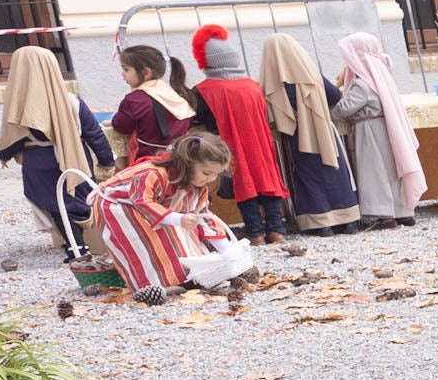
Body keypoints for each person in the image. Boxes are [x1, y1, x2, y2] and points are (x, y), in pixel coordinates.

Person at [89, 131, 242, 300]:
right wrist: (177, 219)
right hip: (118, 204)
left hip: (153, 207)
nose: (212, 179)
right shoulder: (152, 173)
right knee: (143, 242)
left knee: (182, 235)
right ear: (188, 164)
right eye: (207, 173)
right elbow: (143, 202)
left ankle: (183, 278)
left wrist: (229, 252)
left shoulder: (197, 186)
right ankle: (150, 285)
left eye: (216, 174)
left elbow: (204, 217)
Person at [0, 46, 108, 262]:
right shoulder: (72, 101)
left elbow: (9, 142)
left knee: (57, 205)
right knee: (76, 199)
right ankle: (88, 244)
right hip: (74, 157)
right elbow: (94, 134)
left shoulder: (18, 107)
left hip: (39, 163)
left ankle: (75, 247)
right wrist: (106, 161)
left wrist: (3, 155)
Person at [187, 28, 291, 242]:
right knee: (266, 181)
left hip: (228, 145)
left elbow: (193, 118)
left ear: (206, 61)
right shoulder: (252, 86)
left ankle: (255, 233)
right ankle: (277, 230)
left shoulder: (204, 90)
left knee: (245, 185)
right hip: (260, 143)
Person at [255, 34, 358, 237]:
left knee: (307, 176)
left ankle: (321, 223)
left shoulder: (270, 82)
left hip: (295, 136)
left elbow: (268, 113)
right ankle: (348, 221)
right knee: (334, 172)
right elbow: (334, 96)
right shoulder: (311, 73)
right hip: (322, 130)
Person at [327, 30, 426, 230]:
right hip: (385, 128)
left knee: (374, 172)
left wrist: (330, 100)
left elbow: (342, 111)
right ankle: (402, 211)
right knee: (392, 170)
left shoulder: (363, 84)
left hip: (370, 131)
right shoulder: (381, 75)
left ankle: (381, 214)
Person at [106, 44, 198, 164]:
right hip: (179, 160)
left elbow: (121, 126)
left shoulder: (134, 100)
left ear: (146, 73)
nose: (122, 74)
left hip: (147, 162)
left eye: (126, 69)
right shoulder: (175, 94)